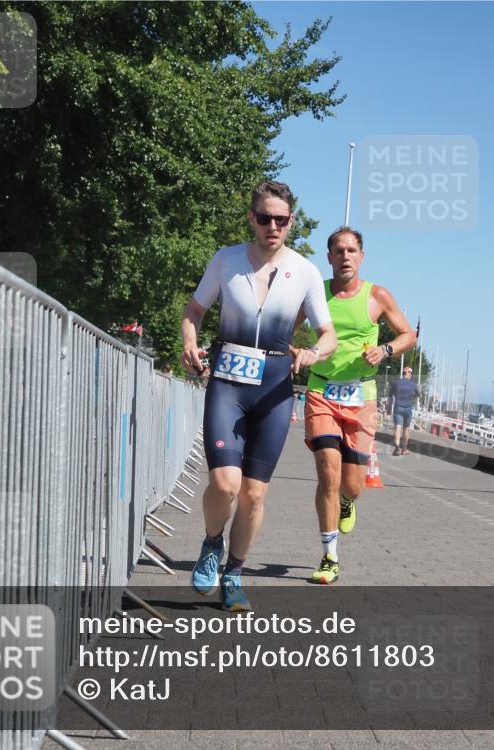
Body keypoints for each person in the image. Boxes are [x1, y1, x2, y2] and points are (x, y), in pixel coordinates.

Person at [180, 180, 337, 610]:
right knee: (224, 483)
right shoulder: (226, 260)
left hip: (274, 387)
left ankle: (234, 572)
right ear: (252, 218)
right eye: (265, 218)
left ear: (290, 222)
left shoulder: (304, 272)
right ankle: (212, 542)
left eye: (281, 220)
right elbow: (195, 311)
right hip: (228, 382)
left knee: (254, 493)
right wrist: (189, 344)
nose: (273, 226)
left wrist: (310, 352)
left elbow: (329, 336)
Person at [299, 227, 416, 584]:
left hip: (360, 397)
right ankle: (329, 556)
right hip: (321, 390)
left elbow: (408, 335)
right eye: (339, 250)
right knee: (327, 472)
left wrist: (385, 349)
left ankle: (348, 501)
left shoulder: (377, 296)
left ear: (361, 257)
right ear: (329, 256)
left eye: (352, 250)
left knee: (352, 485)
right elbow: (285, 328)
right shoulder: (315, 293)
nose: (345, 256)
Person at [389, 365, 420, 456]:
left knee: (398, 428)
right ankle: (404, 449)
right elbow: (418, 394)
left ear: (403, 373)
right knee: (406, 429)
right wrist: (413, 396)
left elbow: (390, 396)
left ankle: (397, 448)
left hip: (398, 407)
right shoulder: (413, 384)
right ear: (409, 373)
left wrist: (388, 409)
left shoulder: (396, 383)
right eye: (410, 373)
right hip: (408, 408)